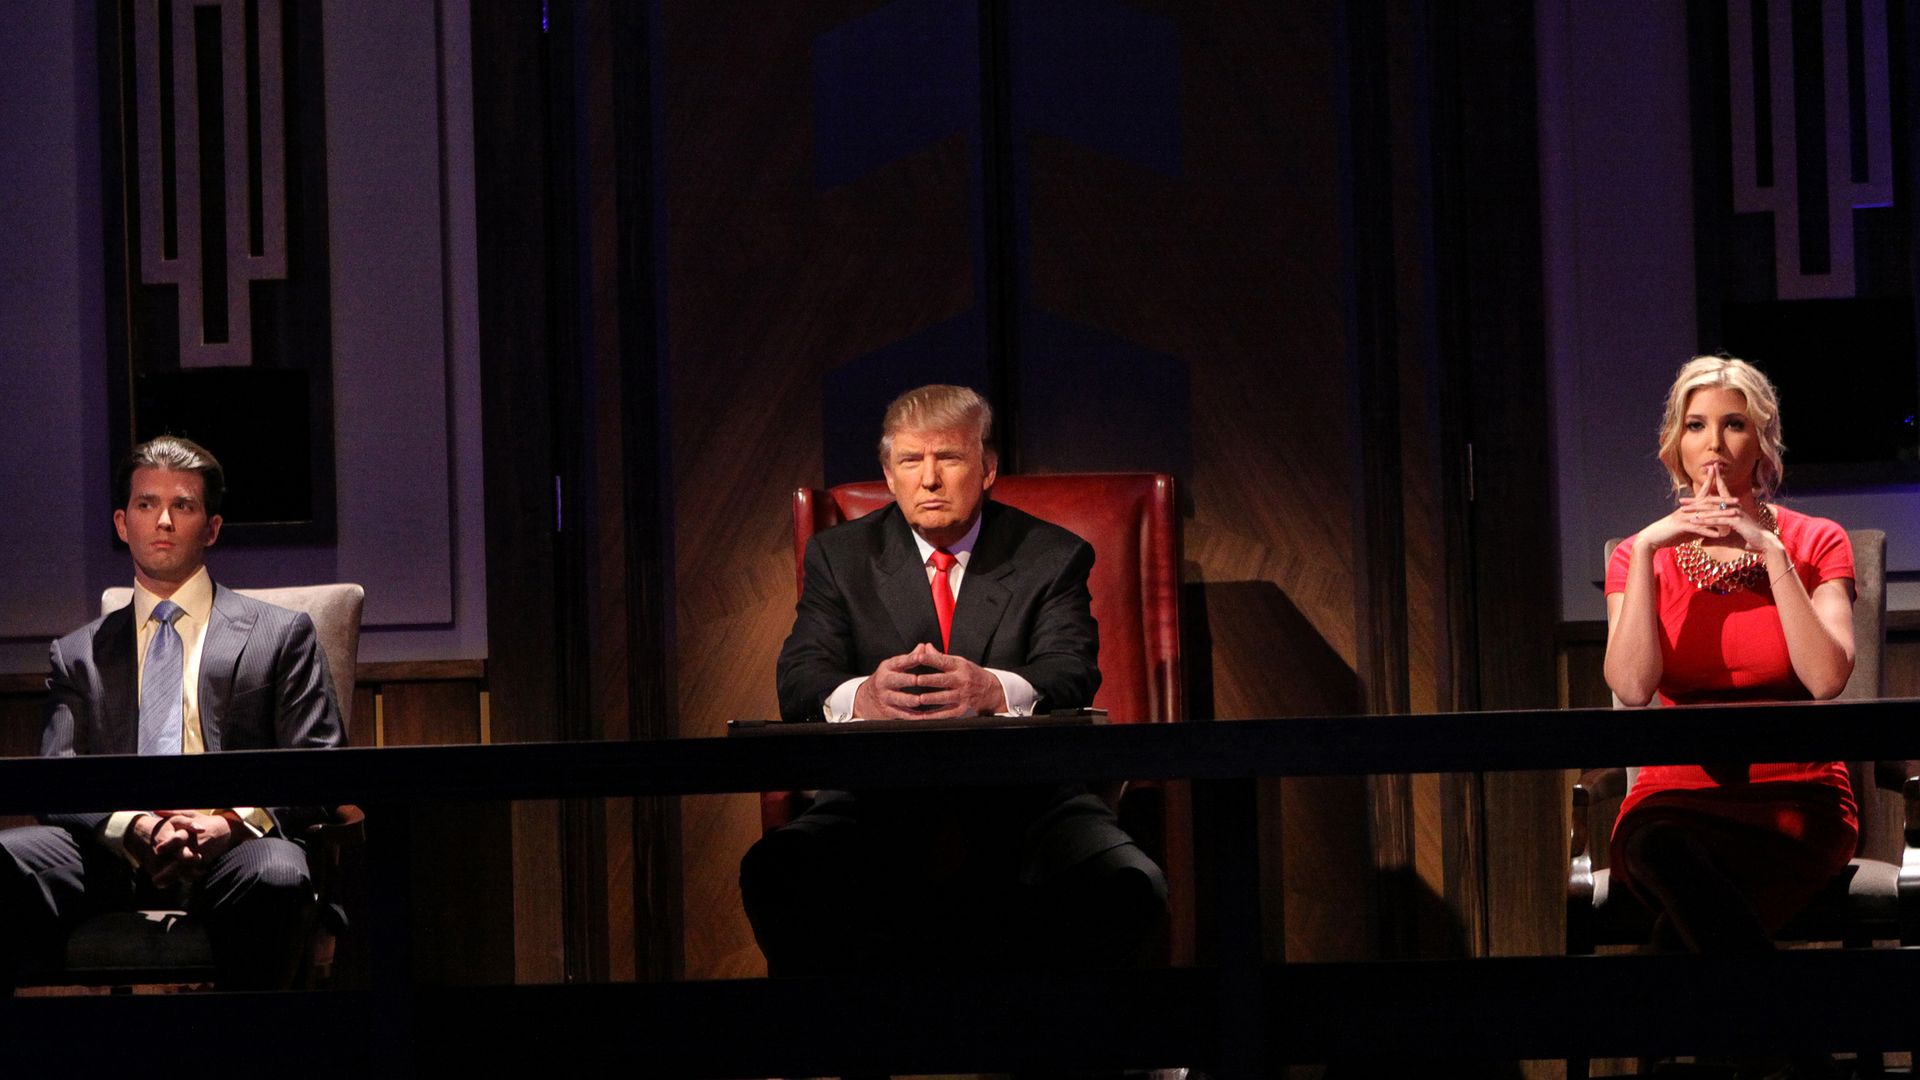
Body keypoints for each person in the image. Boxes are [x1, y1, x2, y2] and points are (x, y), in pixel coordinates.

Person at [740, 385, 1167, 975]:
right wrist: (864, 696)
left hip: (1028, 804)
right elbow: (800, 679)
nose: (930, 479)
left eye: (949, 458)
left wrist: (993, 690)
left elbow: (1071, 673)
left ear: (988, 468)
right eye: (911, 461)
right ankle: (853, 1055)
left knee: (1127, 884)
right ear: (889, 475)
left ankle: (1076, 1062)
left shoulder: (1053, 554)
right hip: (876, 805)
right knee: (778, 872)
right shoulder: (840, 557)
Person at [0, 436, 344, 990]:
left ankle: (253, 1055)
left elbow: (320, 765)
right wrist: (135, 826)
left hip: (236, 850)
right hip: (113, 855)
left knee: (279, 875)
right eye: (145, 504)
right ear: (121, 522)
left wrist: (228, 824)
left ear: (210, 527)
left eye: (182, 505)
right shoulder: (77, 653)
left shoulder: (282, 634)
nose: (162, 519)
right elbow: (56, 781)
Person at [1602, 356, 1858, 955]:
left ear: (1763, 442)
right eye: (1695, 425)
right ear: (1675, 443)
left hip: (1797, 793)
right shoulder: (1638, 555)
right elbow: (1633, 688)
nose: (1713, 443)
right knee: (1656, 847)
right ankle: (1791, 1047)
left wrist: (1771, 552)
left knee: (1679, 932)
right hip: (1676, 798)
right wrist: (1644, 553)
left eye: (1734, 424)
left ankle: (1764, 1047)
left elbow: (1826, 680)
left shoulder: (1817, 540)